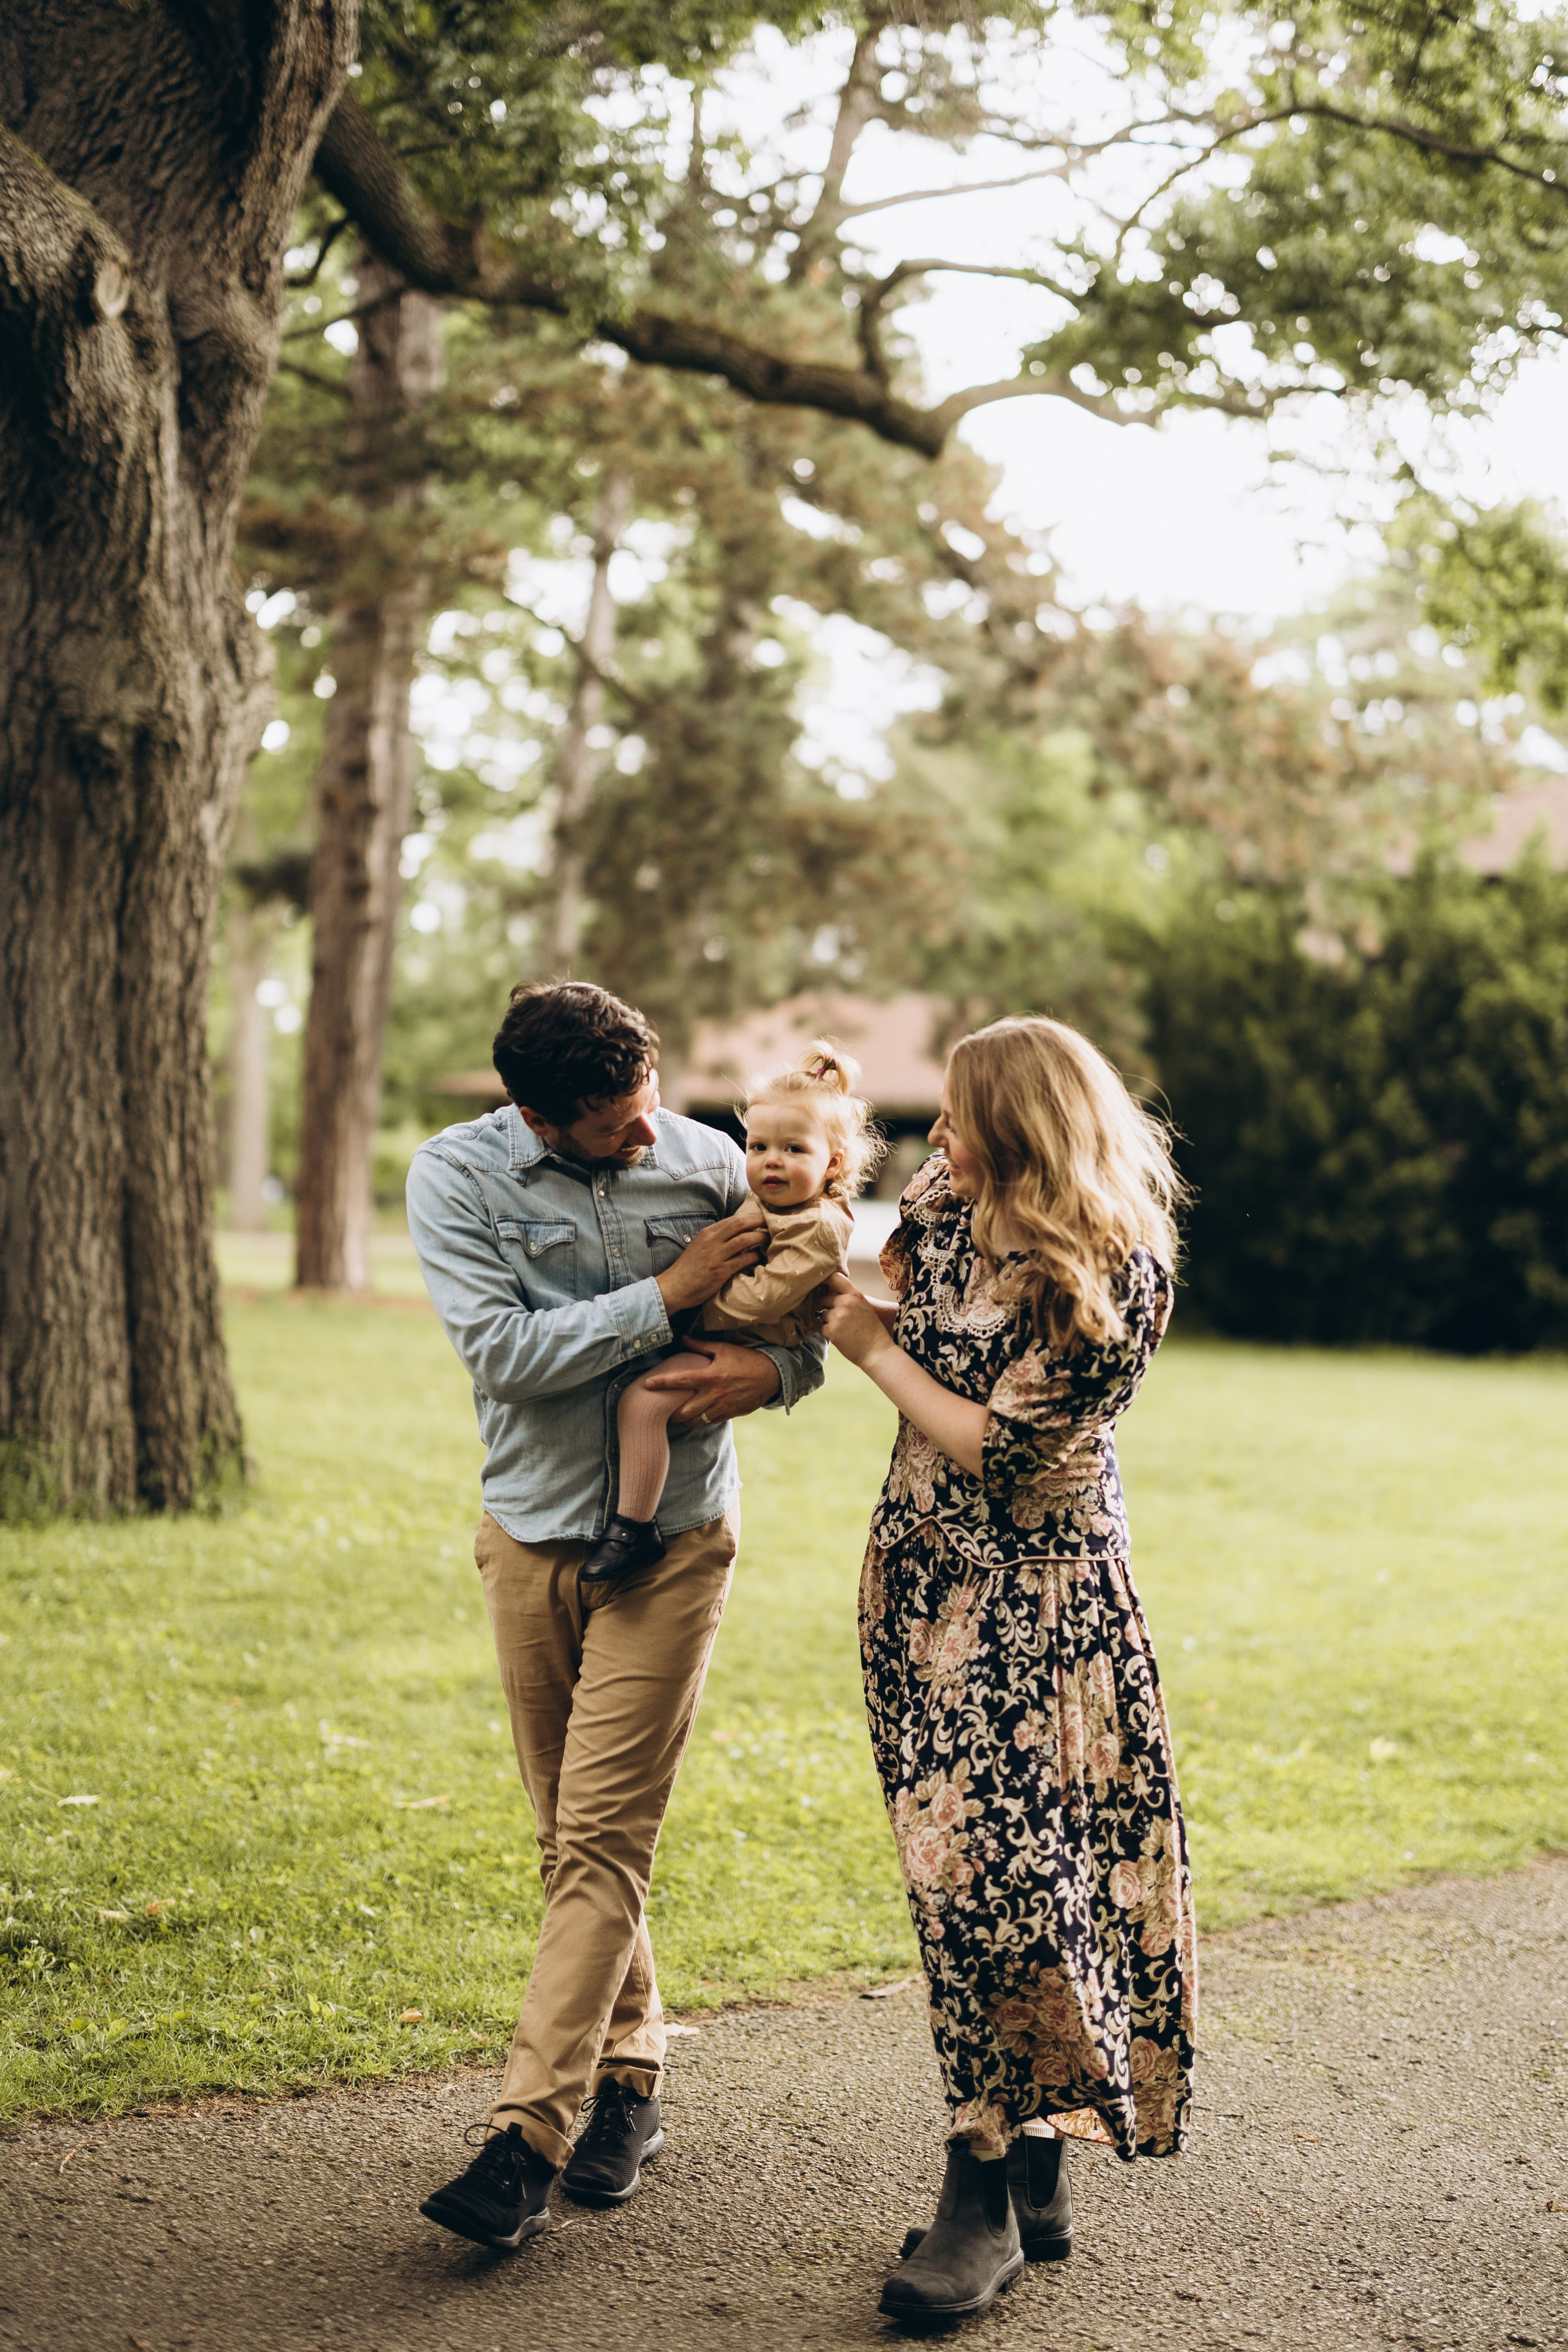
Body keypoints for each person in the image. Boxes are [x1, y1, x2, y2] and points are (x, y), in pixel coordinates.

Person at [404, 981, 824, 2252]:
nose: (652, 1140)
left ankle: (524, 2139)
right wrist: (671, 1288)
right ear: (536, 1115)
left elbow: (798, 1326)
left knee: (595, 1836)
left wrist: (767, 1371)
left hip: (673, 1547)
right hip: (532, 1540)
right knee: (569, 1836)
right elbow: (503, 1355)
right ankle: (632, 2075)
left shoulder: (712, 1161)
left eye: (649, 1109)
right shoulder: (453, 1179)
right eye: (614, 1128)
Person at [820, 1014, 1196, 2326]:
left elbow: (1008, 1450)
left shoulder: (1113, 1275)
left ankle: (980, 2186)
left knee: (1007, 1888)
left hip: (1041, 1612)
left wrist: (867, 1350)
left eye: (959, 1115)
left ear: (1023, 1127)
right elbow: (870, 1265)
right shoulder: (945, 1196)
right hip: (915, 1588)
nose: (935, 1139)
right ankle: (1032, 2157)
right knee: (959, 1884)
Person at [581, 1039, 873, 1586]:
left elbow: (763, 1297)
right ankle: (630, 1522)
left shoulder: (820, 1226)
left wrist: (687, 1302)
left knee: (643, 1403)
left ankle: (633, 1529)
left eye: (794, 1149)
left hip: (757, 1341)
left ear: (832, 1162)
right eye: (759, 1146)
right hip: (737, 1331)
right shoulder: (768, 1202)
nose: (771, 1161)